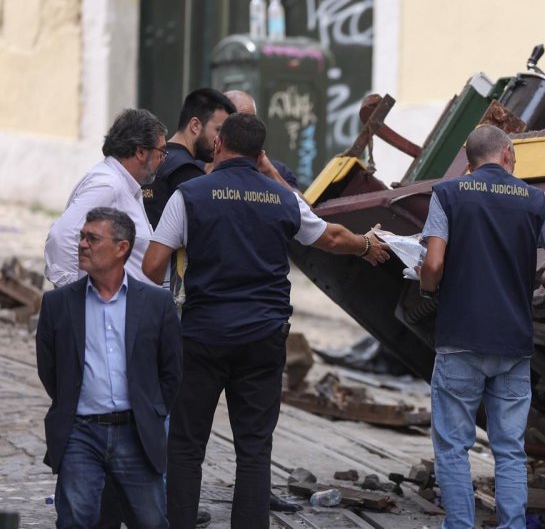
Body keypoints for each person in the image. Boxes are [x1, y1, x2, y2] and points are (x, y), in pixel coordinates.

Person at [141, 113, 391, 528]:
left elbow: (152, 267)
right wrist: (365, 245)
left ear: (218, 145)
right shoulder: (284, 199)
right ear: (260, 154)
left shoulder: (189, 195)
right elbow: (329, 237)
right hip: (263, 337)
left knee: (186, 446)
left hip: (203, 336)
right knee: (254, 450)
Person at [419, 125, 545, 529]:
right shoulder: (534, 200)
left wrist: (428, 288)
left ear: (467, 159)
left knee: (452, 447)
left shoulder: (447, 194)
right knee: (510, 449)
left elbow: (433, 264)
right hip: (513, 342)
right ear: (509, 154)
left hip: (461, 340)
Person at [36, 207, 182, 529]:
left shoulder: (156, 304)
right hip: (80, 433)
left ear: (122, 248)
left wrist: (152, 411)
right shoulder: (58, 304)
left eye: (93, 238)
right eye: (82, 237)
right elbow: (50, 369)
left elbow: (170, 371)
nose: (82, 245)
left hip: (136, 432)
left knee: (151, 521)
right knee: (76, 519)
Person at [44, 109, 168, 288]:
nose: (163, 159)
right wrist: (74, 299)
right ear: (140, 152)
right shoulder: (109, 185)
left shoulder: (128, 185)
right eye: (161, 152)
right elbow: (62, 236)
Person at [143, 88, 236, 227]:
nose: (222, 140)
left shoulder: (152, 159)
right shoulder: (187, 171)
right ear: (195, 125)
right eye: (219, 130)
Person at [222, 89, 299, 189]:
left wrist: (272, 174)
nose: (244, 127)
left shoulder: (277, 170)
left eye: (250, 120)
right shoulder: (200, 168)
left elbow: (301, 205)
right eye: (236, 121)